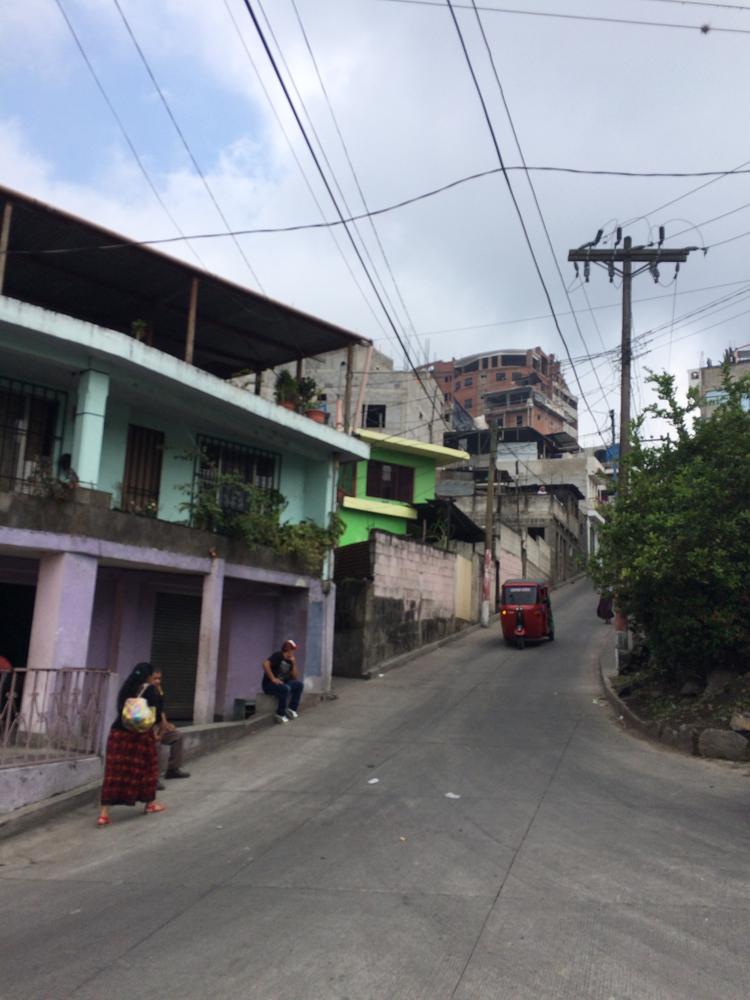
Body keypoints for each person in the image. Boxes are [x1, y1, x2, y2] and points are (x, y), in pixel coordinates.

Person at [97, 662, 166, 827]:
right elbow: (155, 717)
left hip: (118, 734)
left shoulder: (125, 688)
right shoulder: (149, 689)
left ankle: (104, 814)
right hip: (141, 737)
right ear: (148, 676)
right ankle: (149, 804)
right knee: (147, 770)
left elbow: (121, 711)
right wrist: (160, 695)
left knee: (114, 773)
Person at [149, 669, 190, 781]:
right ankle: (152, 779)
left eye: (159, 678)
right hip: (146, 727)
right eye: (155, 678)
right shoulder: (144, 692)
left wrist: (166, 724)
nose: (157, 681)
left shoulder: (159, 691)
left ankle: (173, 769)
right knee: (155, 745)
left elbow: (161, 711)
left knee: (177, 735)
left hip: (158, 725)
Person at [262, 639, 304, 724]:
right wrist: (273, 679)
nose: (294, 652)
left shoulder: (290, 660)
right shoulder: (278, 655)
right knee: (285, 688)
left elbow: (295, 677)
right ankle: (280, 714)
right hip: (269, 685)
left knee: (299, 685)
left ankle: (291, 709)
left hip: (283, 683)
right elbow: (265, 664)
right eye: (293, 650)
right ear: (288, 649)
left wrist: (294, 663)